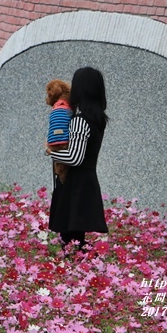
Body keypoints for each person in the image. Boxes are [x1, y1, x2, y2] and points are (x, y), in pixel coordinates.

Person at [45, 67, 109, 253]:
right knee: (76, 238)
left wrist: (51, 153)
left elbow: (75, 158)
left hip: (75, 184)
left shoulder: (80, 121)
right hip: (86, 181)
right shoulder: (98, 120)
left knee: (70, 239)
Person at [44, 79, 73, 184]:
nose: (47, 100)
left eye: (48, 96)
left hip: (52, 142)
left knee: (60, 168)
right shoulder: (69, 109)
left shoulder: (55, 110)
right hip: (67, 142)